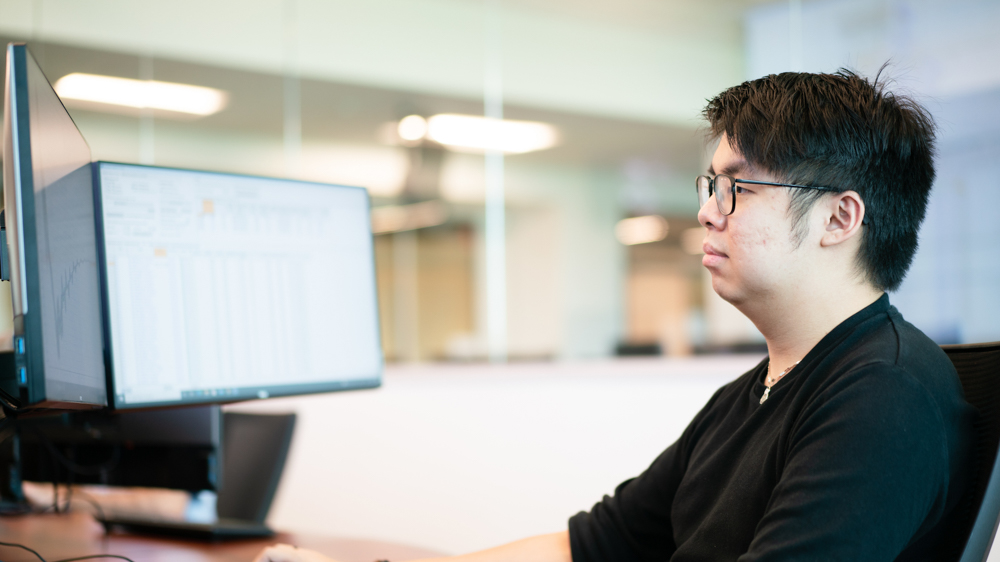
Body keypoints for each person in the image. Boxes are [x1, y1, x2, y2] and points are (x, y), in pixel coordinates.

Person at [253, 69, 974, 562]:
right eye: (708, 186)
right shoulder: (753, 394)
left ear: (839, 218)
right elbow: (589, 548)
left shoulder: (885, 396)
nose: (704, 211)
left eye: (738, 189)